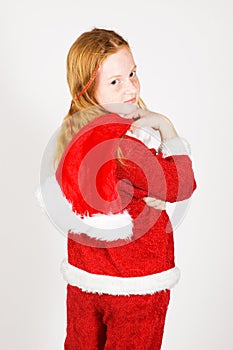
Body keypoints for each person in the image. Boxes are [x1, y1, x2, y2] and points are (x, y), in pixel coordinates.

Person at [48, 28, 196, 349]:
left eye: (132, 73)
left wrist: (142, 193)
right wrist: (166, 126)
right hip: (136, 285)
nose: (130, 87)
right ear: (89, 90)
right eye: (115, 82)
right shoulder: (127, 146)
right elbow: (182, 185)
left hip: (86, 282)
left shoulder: (72, 139)